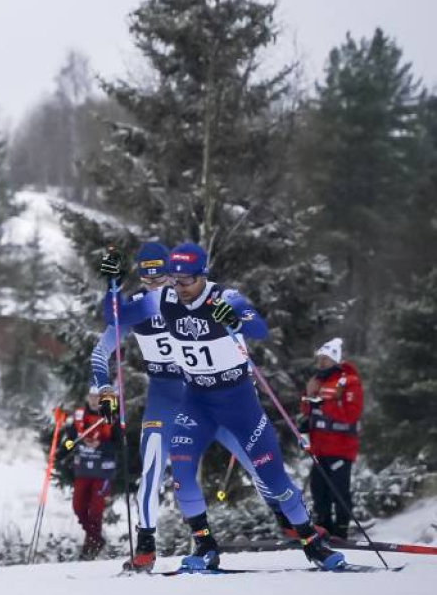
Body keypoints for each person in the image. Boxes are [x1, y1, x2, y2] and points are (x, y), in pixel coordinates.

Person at [99, 243, 345, 571]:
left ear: (202, 276)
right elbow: (115, 317)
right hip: (196, 401)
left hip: (237, 402)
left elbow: (258, 327)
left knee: (272, 478)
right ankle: (205, 546)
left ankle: (309, 540)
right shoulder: (164, 298)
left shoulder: (224, 297)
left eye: (186, 281)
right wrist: (112, 285)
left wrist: (237, 320)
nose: (179, 288)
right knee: (182, 474)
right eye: (174, 280)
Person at [300, 337, 362, 539]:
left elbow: (351, 414)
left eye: (325, 359)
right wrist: (308, 404)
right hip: (319, 447)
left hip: (341, 447)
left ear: (335, 359)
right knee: (318, 490)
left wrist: (322, 406)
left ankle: (342, 528)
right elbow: (307, 408)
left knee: (339, 491)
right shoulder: (318, 380)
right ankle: (323, 527)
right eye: (319, 359)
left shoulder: (349, 381)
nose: (321, 363)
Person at [69, 390, 116, 559]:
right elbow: (69, 441)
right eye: (91, 396)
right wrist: (62, 427)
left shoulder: (111, 418)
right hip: (83, 470)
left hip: (102, 473)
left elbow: (118, 444)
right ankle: (95, 538)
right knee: (78, 507)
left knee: (95, 510)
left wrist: (101, 445)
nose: (94, 400)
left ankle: (91, 545)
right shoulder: (80, 416)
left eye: (98, 397)